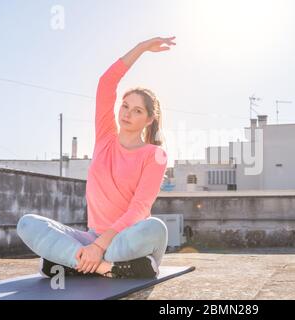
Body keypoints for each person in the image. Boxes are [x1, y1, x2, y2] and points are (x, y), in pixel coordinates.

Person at [16, 36, 177, 279]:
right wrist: (142, 48)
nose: (127, 113)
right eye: (125, 106)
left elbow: (139, 209)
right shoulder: (105, 137)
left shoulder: (155, 155)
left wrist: (99, 246)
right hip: (92, 239)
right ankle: (106, 268)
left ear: (149, 119)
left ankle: (71, 262)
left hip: (126, 239)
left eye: (137, 111)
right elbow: (106, 83)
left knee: (156, 228)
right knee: (27, 224)